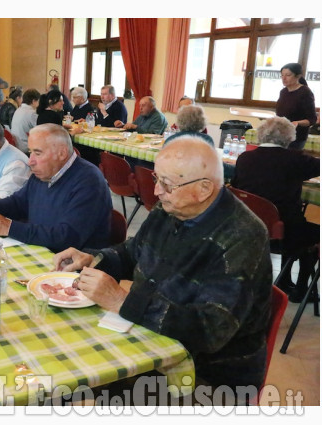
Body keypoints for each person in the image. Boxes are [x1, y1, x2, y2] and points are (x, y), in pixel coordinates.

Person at [54, 137, 273, 399]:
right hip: (152, 339)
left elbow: (210, 330)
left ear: (204, 189)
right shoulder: (171, 208)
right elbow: (133, 253)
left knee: (77, 383)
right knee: (61, 361)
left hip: (208, 375)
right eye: (157, 179)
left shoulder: (242, 235)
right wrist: (94, 259)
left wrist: (122, 300)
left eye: (167, 184)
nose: (156, 191)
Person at [0, 123, 112, 253]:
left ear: (61, 153)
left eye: (38, 153)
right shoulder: (45, 173)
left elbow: (67, 237)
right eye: (30, 152)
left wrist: (10, 227)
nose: (31, 161)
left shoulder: (89, 181)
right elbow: (18, 203)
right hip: (40, 249)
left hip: (73, 269)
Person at [232, 116, 320, 303]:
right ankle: (302, 289)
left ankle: (284, 280)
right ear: (289, 137)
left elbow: (236, 188)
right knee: (312, 231)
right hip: (285, 231)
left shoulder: (244, 158)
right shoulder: (296, 160)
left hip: (249, 228)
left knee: (289, 220)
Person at [276, 63, 317, 150]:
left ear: (298, 76)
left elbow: (312, 119)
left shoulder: (305, 92)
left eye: (288, 75)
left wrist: (297, 123)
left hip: (296, 137)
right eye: (282, 75)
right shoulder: (283, 92)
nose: (284, 78)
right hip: (281, 135)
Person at [10, 88, 41, 154]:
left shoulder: (18, 110)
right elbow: (40, 129)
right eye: (38, 101)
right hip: (25, 147)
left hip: (16, 144)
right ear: (33, 101)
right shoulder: (31, 113)